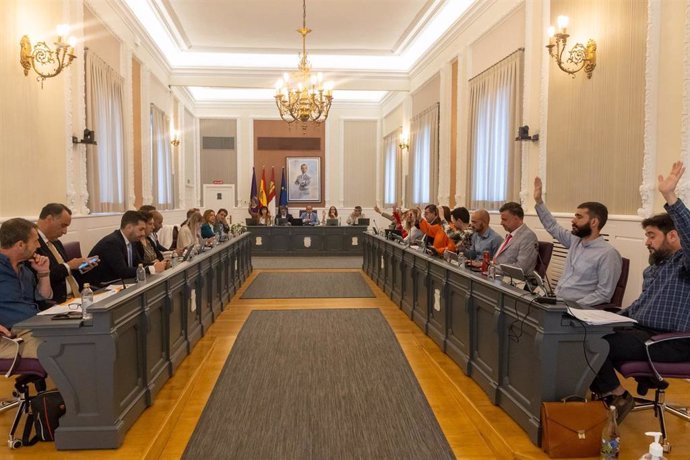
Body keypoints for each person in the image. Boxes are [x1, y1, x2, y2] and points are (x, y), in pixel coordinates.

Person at [589, 161, 690, 424]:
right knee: (583, 333)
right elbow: (639, 308)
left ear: (673, 237)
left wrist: (670, 196)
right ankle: (607, 396)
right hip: (644, 331)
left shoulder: (684, 264)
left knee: (594, 345)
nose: (646, 242)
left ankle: (617, 396)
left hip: (674, 341)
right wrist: (610, 319)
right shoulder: (659, 267)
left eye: (651, 235)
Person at [533, 177, 622, 307]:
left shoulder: (608, 254)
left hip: (576, 312)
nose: (573, 220)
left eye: (579, 217)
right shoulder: (575, 241)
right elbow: (552, 226)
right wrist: (539, 202)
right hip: (558, 302)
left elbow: (604, 294)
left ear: (594, 222)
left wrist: (571, 306)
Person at [0, 218, 52, 359]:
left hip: (34, 327)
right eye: (35, 241)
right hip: (10, 336)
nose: (39, 245)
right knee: (61, 350)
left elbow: (44, 297)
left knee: (79, 339)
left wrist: (43, 273)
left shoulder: (25, 269)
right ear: (21, 245)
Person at [35, 203, 96, 304]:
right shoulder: (34, 244)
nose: (65, 232)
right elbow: (40, 278)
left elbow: (66, 271)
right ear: (49, 219)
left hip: (78, 296)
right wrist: (69, 265)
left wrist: (81, 268)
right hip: (59, 302)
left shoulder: (56, 242)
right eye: (63, 225)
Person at [87, 211, 167, 285]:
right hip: (100, 287)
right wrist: (151, 268)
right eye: (141, 229)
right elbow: (123, 271)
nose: (143, 233)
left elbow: (138, 263)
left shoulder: (132, 241)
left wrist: (157, 265)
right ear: (129, 228)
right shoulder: (112, 242)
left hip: (119, 283)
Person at [493, 202, 539, 274]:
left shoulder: (528, 237)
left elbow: (521, 268)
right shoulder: (511, 234)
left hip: (512, 282)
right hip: (496, 276)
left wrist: (493, 269)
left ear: (516, 219)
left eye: (504, 219)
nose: (501, 223)